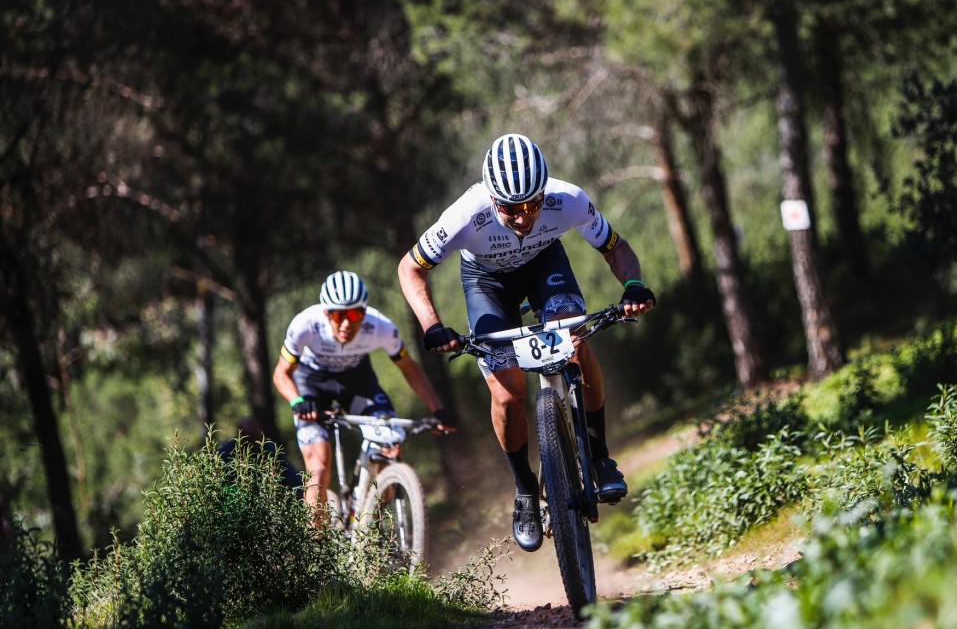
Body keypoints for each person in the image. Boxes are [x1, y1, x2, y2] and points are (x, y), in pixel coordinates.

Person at [397, 133, 656, 552]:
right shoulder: (466, 214)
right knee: (506, 394)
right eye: (510, 209)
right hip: (486, 283)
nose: (523, 218)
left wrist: (634, 285)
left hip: (544, 266)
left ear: (544, 193)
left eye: (532, 205)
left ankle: (600, 455)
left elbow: (615, 247)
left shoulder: (566, 199)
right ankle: (524, 491)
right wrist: (432, 326)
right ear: (491, 198)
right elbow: (410, 268)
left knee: (575, 338)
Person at [272, 270, 456, 527]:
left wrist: (438, 409)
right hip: (312, 385)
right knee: (318, 466)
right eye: (339, 315)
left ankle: (366, 529)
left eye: (355, 314)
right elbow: (281, 375)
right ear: (327, 313)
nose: (347, 323)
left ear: (364, 312)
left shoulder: (380, 327)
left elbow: (409, 369)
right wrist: (297, 401)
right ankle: (316, 544)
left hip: (357, 381)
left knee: (390, 445)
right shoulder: (306, 325)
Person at [217, 415, 304, 494]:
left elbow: (292, 478)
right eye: (248, 439)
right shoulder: (227, 451)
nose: (252, 445)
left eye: (255, 439)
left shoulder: (269, 450)